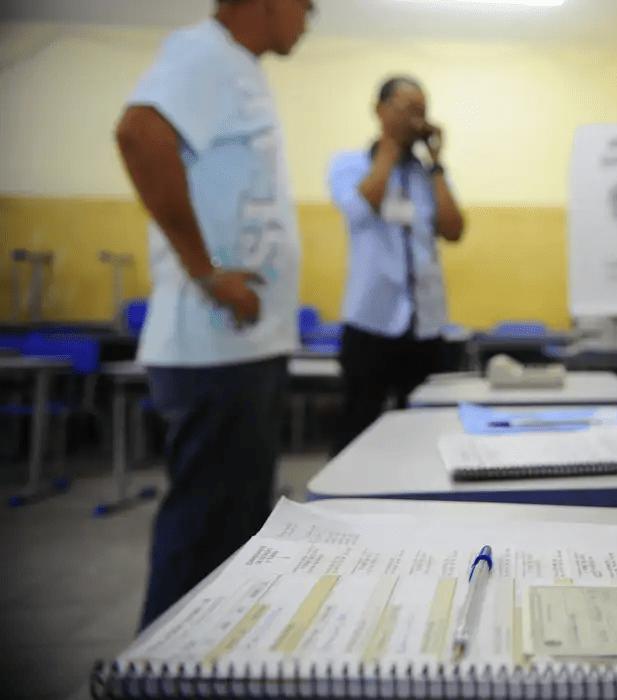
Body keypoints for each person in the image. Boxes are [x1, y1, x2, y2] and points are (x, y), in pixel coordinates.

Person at [114, 0, 313, 628]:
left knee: (232, 543)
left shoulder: (239, 68)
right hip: (214, 350)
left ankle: (210, 666)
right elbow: (139, 134)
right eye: (305, 4)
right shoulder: (206, 52)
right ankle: (163, 675)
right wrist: (206, 272)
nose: (309, 16)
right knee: (203, 541)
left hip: (242, 349)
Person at [328, 76, 465, 455]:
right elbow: (360, 207)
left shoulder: (428, 176)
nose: (416, 120)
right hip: (371, 320)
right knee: (356, 430)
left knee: (425, 433)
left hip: (426, 325)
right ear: (379, 110)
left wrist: (436, 163)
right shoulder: (348, 164)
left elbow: (453, 229)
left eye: (422, 111)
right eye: (406, 109)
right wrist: (388, 149)